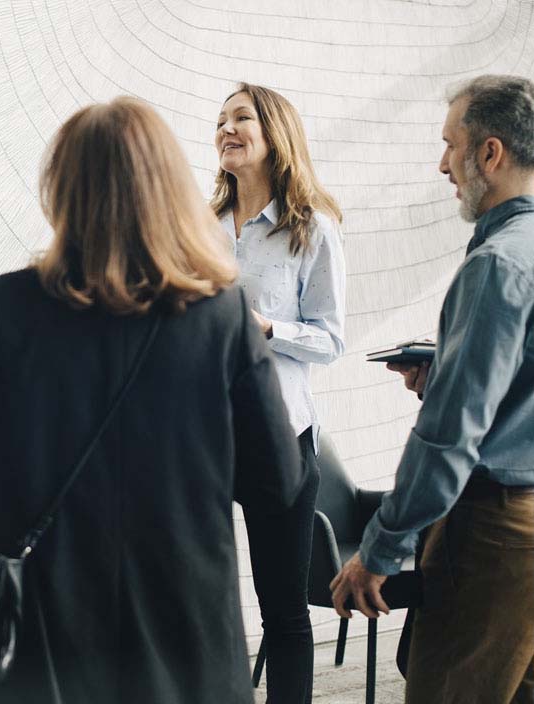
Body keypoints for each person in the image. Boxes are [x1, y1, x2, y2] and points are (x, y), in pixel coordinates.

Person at [0, 96, 305, 704]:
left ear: (62, 190)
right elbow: (278, 480)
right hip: (186, 635)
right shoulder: (222, 312)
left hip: (45, 640)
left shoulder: (4, 308)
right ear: (171, 189)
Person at [331, 74, 534, 704]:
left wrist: (379, 549)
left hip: (493, 535)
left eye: (451, 145)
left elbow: (451, 436)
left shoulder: (497, 264)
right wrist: (444, 369)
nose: (441, 163)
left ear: (490, 154)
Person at [212, 82, 347, 703]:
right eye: (221, 121)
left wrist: (268, 327)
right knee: (198, 609)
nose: (226, 129)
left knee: (283, 612)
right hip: (199, 439)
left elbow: (330, 339)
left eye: (241, 118)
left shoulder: (311, 229)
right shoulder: (196, 225)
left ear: (276, 135)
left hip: (278, 437)